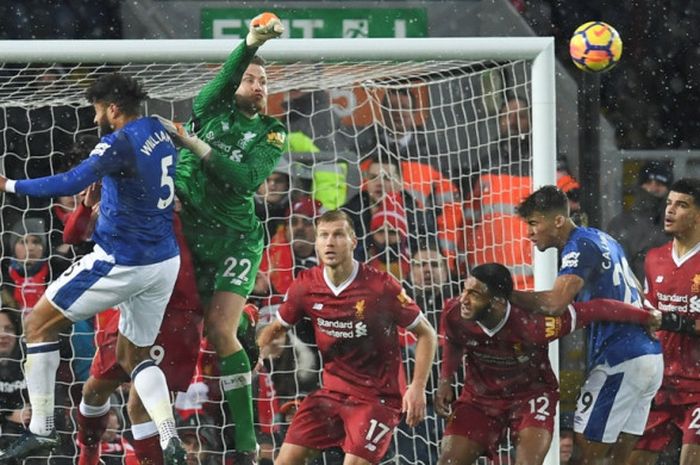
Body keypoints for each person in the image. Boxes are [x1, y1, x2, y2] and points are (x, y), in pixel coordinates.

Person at [0, 73, 187, 463]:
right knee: (135, 357)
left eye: (97, 109)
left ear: (113, 109)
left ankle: (42, 430)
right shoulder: (158, 128)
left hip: (123, 259)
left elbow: (71, 181)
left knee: (36, 325)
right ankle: (171, 437)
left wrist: (9, 185)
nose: (94, 117)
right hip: (164, 260)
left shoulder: (118, 143)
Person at [155, 12, 285, 463]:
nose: (258, 85)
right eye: (250, 78)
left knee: (218, 330)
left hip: (234, 239)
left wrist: (195, 146)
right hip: (190, 236)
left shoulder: (272, 131)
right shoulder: (210, 108)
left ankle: (246, 447)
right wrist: (250, 43)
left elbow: (245, 179)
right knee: (194, 331)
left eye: (264, 81)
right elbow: (223, 78)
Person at [257, 209, 437, 465]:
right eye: (324, 236)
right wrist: (257, 353)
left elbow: (427, 334)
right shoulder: (306, 284)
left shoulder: (380, 286)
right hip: (331, 393)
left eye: (338, 235)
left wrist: (417, 387)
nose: (330, 242)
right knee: (285, 461)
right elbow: (277, 326)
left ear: (353, 241)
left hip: (377, 399)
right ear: (316, 242)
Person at [436, 263, 662, 465]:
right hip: (479, 398)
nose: (463, 299)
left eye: (474, 293)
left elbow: (597, 308)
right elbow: (454, 340)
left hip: (531, 396)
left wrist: (646, 317)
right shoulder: (454, 313)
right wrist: (445, 380)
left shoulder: (536, 323)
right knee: (449, 461)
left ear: (497, 302)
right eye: (465, 289)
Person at [511, 185, 664, 465]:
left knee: (586, 449)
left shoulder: (578, 246)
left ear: (558, 220)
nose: (529, 233)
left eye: (534, 223)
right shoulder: (602, 237)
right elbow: (638, 292)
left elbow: (556, 302)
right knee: (622, 455)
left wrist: (507, 294)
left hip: (620, 356)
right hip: (650, 355)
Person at [62, 185, 203, 465]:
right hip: (141, 306)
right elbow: (73, 235)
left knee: (139, 406)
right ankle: (90, 454)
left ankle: (157, 443)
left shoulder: (176, 194)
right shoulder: (122, 194)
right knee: (97, 392)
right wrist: (87, 207)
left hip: (170, 307)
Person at [628, 178, 700, 465]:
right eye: (669, 203)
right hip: (660, 383)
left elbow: (664, 319)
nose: (670, 210)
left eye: (681, 205)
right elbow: (650, 316)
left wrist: (674, 322)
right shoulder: (653, 259)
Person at [608, 160, 673, 281]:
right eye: (648, 182)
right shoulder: (621, 223)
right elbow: (616, 267)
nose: (653, 188)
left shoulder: (676, 223)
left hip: (671, 294)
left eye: (659, 183)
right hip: (634, 295)